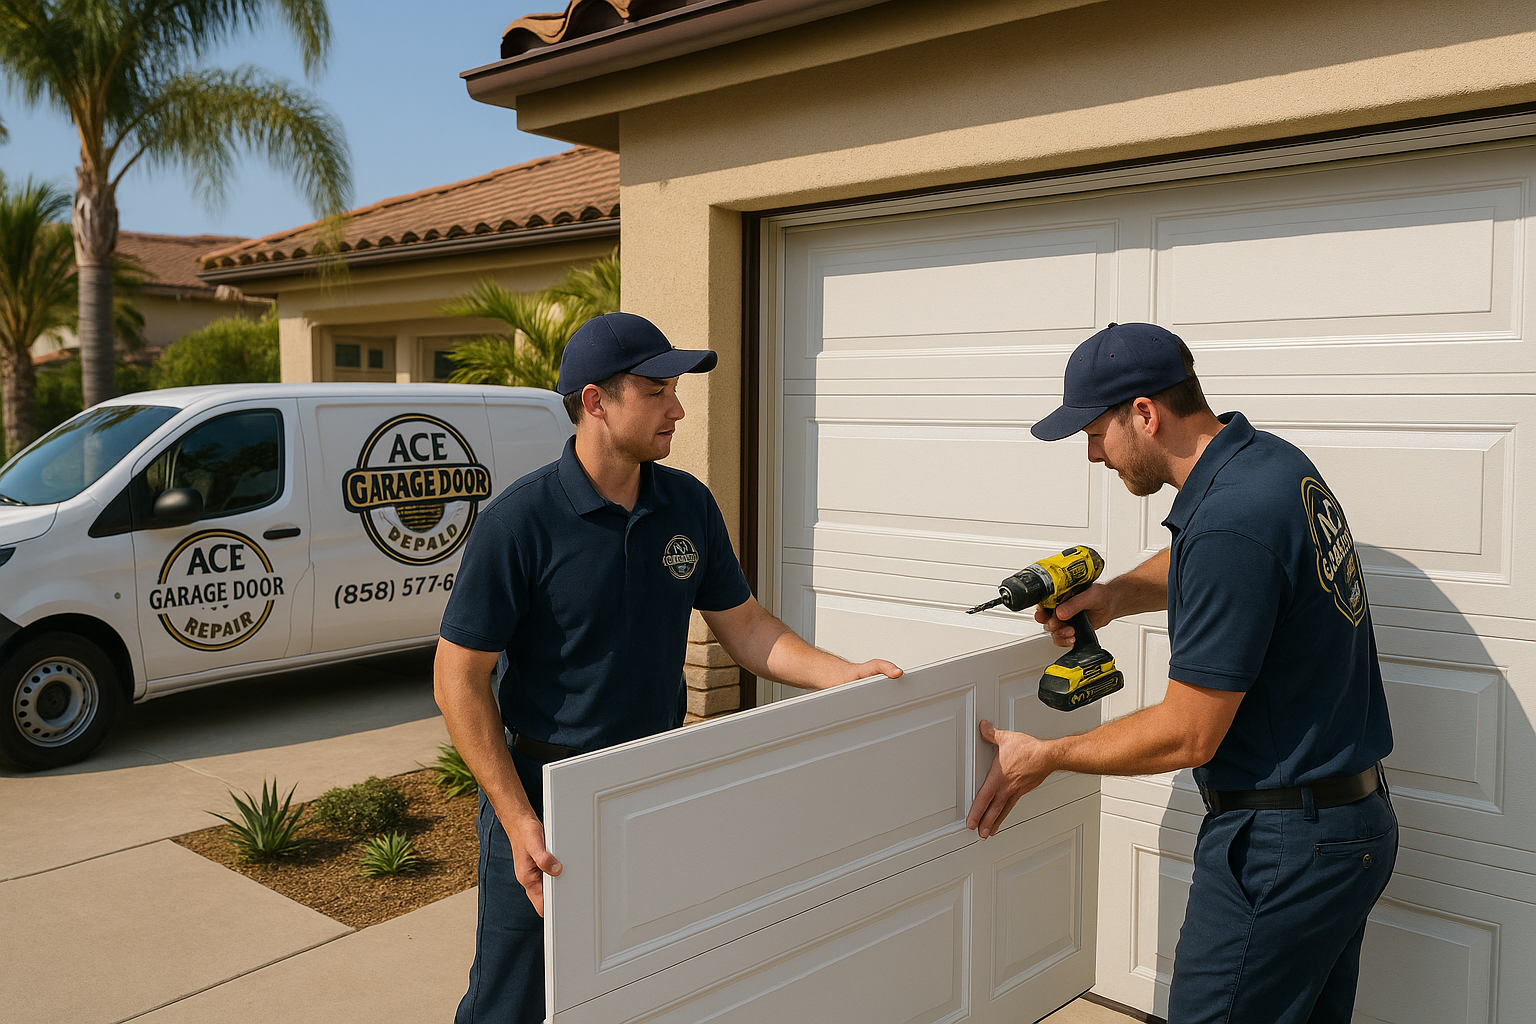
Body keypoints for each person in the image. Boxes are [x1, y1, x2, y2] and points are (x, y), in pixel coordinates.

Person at [435, 311, 902, 1024]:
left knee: (644, 984)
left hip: (653, 786)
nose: (677, 408)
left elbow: (745, 628)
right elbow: (458, 681)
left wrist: (843, 675)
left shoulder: (686, 503)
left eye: (674, 390)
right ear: (597, 401)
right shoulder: (519, 523)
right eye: (656, 391)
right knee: (512, 999)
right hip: (544, 795)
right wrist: (517, 815)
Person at [966, 323, 1395, 1024]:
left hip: (1282, 849)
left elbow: (1189, 734)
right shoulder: (1268, 464)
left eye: (1095, 430)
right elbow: (1232, 564)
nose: (1092, 452)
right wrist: (1118, 595)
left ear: (1144, 412)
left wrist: (1045, 757)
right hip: (1347, 827)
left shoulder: (1230, 518)